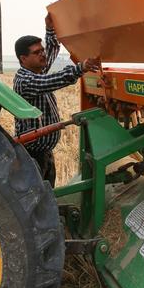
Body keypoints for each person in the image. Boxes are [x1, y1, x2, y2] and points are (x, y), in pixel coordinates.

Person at [13, 14, 100, 186]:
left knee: (47, 195)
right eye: (37, 53)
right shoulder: (25, 81)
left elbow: (51, 51)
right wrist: (81, 68)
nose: (43, 55)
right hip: (32, 156)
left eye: (42, 50)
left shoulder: (37, 70)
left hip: (44, 153)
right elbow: (51, 81)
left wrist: (50, 29)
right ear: (23, 59)